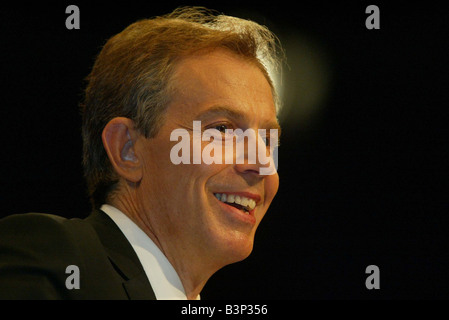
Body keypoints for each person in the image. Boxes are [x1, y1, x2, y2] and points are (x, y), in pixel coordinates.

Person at [0, 6, 282, 300]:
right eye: (222, 130)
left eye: (267, 140)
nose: (262, 164)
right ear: (128, 149)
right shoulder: (54, 259)